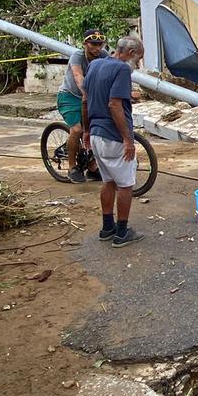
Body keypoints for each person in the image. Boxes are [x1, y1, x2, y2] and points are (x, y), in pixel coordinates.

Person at [80, 36, 146, 248]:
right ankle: (122, 232)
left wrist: (87, 130)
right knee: (125, 185)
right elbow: (114, 104)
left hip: (97, 134)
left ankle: (107, 227)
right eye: (138, 58)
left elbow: (85, 100)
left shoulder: (96, 64)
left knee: (108, 181)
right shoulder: (123, 70)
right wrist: (128, 140)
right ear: (130, 53)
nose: (137, 64)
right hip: (113, 136)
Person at [57, 29, 110, 183]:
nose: (97, 48)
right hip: (70, 97)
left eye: (100, 44)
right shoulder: (77, 56)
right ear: (85, 44)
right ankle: (72, 167)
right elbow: (78, 76)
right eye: (94, 44)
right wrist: (87, 92)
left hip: (90, 97)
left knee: (97, 129)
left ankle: (93, 168)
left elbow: (112, 72)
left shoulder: (104, 56)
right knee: (77, 130)